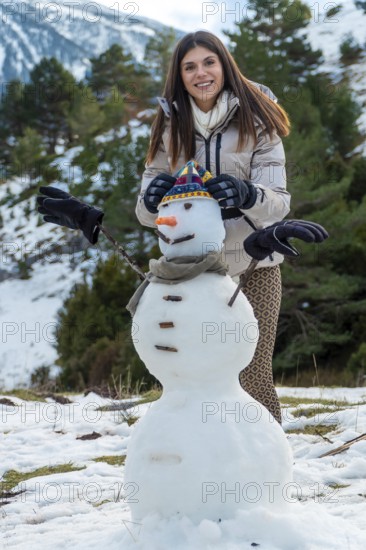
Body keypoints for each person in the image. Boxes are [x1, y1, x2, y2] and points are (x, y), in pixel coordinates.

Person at [144, 31, 291, 423]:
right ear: (180, 75)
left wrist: (246, 193)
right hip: (190, 272)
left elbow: (278, 202)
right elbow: (145, 213)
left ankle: (269, 472)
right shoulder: (168, 126)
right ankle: (203, 469)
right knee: (189, 377)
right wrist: (149, 199)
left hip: (253, 268)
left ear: (224, 65)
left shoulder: (258, 120)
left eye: (209, 62)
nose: (201, 73)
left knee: (251, 377)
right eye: (189, 66)